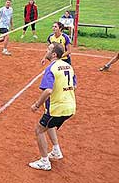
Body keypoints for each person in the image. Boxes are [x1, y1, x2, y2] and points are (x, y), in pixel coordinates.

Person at [29, 42, 76, 171]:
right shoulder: (68, 66)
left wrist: (37, 105)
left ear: (54, 54)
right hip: (70, 106)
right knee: (50, 125)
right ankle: (56, 151)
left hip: (57, 108)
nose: (46, 51)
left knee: (39, 130)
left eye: (48, 49)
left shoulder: (51, 68)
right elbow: (74, 85)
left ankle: (44, 161)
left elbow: (48, 91)